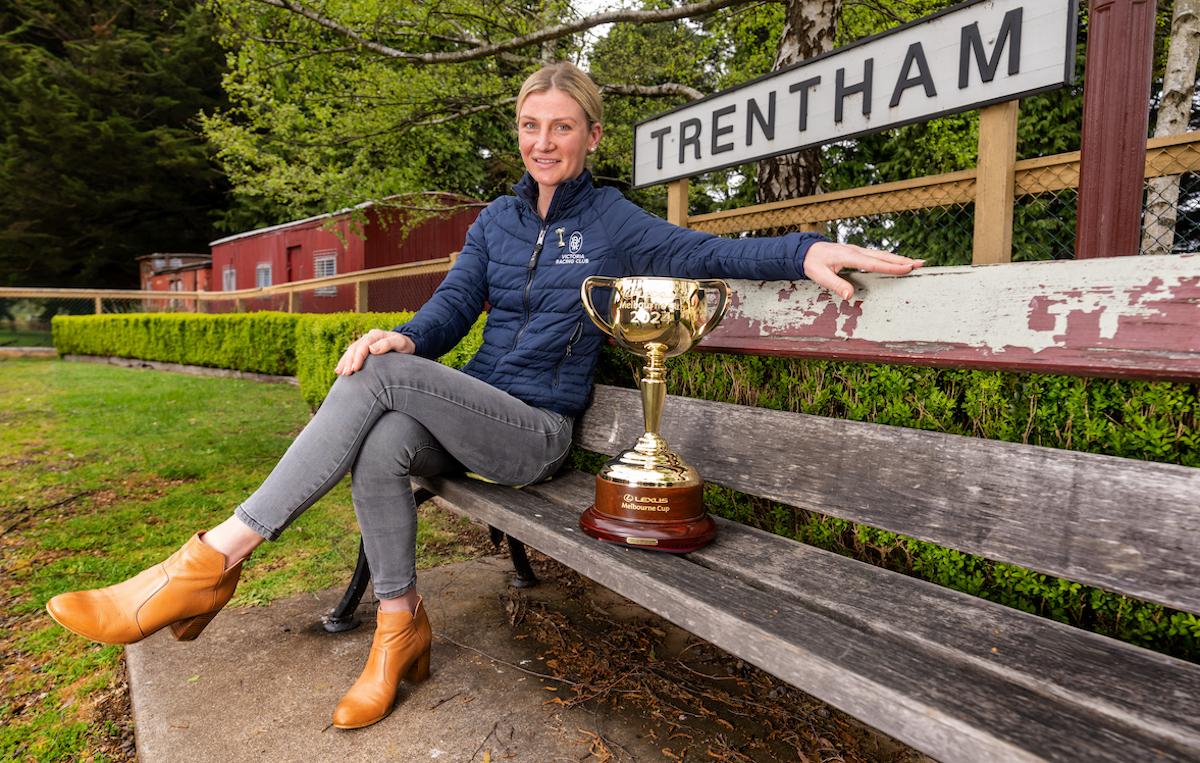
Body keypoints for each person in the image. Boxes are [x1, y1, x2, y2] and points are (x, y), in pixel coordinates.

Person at [46, 62, 923, 730]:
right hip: (472, 410)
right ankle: (398, 628)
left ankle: (207, 564)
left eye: (563, 128)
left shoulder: (613, 221)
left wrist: (804, 249)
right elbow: (453, 306)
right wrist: (411, 336)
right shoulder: (496, 221)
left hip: (533, 434)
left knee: (380, 381)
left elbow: (701, 255)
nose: (544, 141)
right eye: (531, 125)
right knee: (386, 425)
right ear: (520, 132)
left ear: (591, 136)